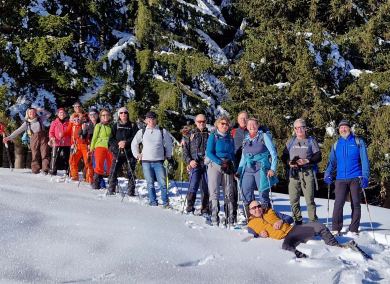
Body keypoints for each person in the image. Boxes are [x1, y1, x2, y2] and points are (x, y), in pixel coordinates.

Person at [247, 200, 341, 258]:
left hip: (294, 230)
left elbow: (289, 218)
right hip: (285, 239)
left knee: (320, 226)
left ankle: (336, 246)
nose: (257, 209)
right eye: (254, 208)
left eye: (259, 206)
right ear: (250, 211)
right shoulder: (251, 224)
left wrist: (281, 221)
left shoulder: (271, 211)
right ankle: (311, 262)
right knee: (288, 250)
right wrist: (260, 234)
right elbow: (252, 234)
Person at [324, 119, 370, 235]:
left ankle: (354, 229)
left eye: (345, 127)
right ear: (338, 130)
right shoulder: (336, 144)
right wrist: (327, 174)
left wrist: (365, 176)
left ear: (349, 129)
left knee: (355, 204)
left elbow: (365, 160)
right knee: (338, 204)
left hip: (355, 177)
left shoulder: (358, 142)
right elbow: (332, 162)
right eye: (341, 128)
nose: (343, 129)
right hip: (340, 179)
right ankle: (336, 228)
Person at [281, 118, 321, 224]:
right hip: (293, 173)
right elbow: (283, 156)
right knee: (293, 199)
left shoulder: (311, 140)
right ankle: (297, 220)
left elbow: (318, 156)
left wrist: (307, 160)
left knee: (309, 199)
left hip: (307, 172)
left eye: (301, 127)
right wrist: (289, 162)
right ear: (294, 129)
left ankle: (313, 222)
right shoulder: (291, 141)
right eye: (296, 128)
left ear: (305, 128)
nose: (299, 130)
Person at [236, 118, 278, 217]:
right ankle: (251, 219)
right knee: (246, 192)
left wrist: (273, 168)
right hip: (247, 169)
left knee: (263, 193)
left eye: (254, 124)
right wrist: (239, 170)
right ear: (246, 126)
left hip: (261, 168)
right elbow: (243, 157)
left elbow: (273, 153)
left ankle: (267, 217)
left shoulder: (263, 136)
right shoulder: (246, 139)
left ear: (258, 125)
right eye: (249, 124)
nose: (251, 126)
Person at [131, 111, 173, 207]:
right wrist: (137, 155)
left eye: (153, 119)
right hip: (146, 162)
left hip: (159, 161)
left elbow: (169, 144)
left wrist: (168, 155)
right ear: (146, 120)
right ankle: (153, 202)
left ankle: (165, 203)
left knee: (162, 184)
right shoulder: (142, 131)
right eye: (149, 119)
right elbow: (134, 144)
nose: (151, 121)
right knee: (150, 184)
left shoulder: (162, 131)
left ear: (156, 119)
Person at [206, 115, 236, 226]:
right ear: (217, 124)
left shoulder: (230, 138)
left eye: (226, 124)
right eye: (222, 123)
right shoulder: (213, 136)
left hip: (227, 165)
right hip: (215, 165)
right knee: (214, 192)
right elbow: (209, 152)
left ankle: (230, 218)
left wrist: (234, 167)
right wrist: (220, 162)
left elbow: (232, 153)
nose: (224, 126)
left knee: (229, 192)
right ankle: (214, 217)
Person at [3, 107, 51, 174]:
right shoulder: (26, 123)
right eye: (30, 112)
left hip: (43, 138)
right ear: (28, 113)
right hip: (33, 139)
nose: (32, 113)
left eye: (34, 112)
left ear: (35, 113)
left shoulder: (40, 119)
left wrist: (42, 110)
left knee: (45, 153)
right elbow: (18, 131)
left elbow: (49, 114)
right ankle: (35, 170)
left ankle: (45, 169)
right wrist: (9, 137)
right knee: (35, 154)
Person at [183, 114, 210, 214]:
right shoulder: (189, 134)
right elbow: (185, 151)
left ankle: (205, 208)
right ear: (195, 122)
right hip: (195, 163)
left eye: (203, 121)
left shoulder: (210, 134)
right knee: (193, 184)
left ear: (206, 121)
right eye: (199, 121)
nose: (201, 123)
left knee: (206, 186)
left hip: (207, 164)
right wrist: (189, 161)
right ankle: (190, 207)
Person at [108, 107, 138, 195]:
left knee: (131, 173)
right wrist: (118, 143)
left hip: (129, 152)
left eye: (125, 113)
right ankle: (111, 188)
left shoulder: (133, 125)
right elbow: (111, 139)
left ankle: (131, 191)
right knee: (113, 171)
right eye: (121, 113)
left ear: (128, 114)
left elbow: (136, 138)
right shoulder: (115, 125)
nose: (123, 114)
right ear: (119, 115)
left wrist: (126, 142)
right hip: (118, 152)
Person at [230, 111, 248, 221]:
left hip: (247, 165)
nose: (243, 120)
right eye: (241, 118)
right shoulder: (233, 131)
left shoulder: (252, 131)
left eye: (245, 118)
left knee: (246, 190)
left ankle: (248, 215)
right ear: (237, 120)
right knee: (233, 190)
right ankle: (233, 215)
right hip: (234, 164)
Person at [65, 112, 93, 183]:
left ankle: (89, 178)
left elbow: (88, 135)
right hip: (76, 145)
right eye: (75, 120)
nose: (76, 121)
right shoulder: (73, 126)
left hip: (84, 145)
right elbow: (68, 133)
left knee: (88, 161)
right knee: (72, 160)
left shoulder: (84, 125)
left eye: (78, 120)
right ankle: (74, 176)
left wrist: (89, 143)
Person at [90, 109, 113, 190]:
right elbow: (94, 138)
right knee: (99, 165)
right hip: (99, 146)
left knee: (111, 166)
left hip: (109, 147)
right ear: (100, 117)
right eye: (103, 115)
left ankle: (112, 184)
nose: (105, 116)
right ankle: (96, 184)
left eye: (107, 115)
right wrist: (91, 149)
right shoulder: (98, 125)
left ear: (109, 116)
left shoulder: (111, 126)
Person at [48, 108, 71, 175]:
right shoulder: (54, 122)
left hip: (67, 143)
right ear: (58, 114)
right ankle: (52, 170)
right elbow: (51, 132)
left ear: (66, 114)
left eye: (63, 113)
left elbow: (71, 132)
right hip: (57, 142)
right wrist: (52, 138)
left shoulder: (69, 122)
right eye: (60, 113)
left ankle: (68, 172)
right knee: (54, 157)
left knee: (67, 158)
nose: (62, 114)